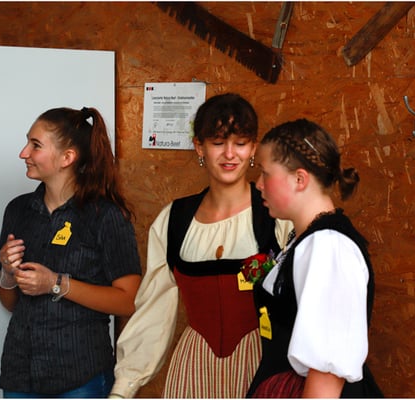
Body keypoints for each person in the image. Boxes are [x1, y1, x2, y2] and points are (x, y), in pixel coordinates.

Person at [111, 93, 293, 398]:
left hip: (261, 365)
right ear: (199, 147)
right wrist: (124, 387)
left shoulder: (276, 215)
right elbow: (154, 309)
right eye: (218, 142)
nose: (229, 154)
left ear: (253, 148)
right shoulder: (174, 220)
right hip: (194, 365)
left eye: (240, 143)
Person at [0, 107, 142, 398]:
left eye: (35, 145)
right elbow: (10, 303)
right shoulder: (18, 210)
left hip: (80, 378)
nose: (24, 153)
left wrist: (56, 283)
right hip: (20, 376)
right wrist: (8, 275)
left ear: (67, 157)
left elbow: (129, 302)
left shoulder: (105, 216)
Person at [246, 118, 383, 398]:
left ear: (299, 179)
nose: (258, 184)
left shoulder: (329, 247)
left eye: (265, 173)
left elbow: (326, 374)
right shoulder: (307, 241)